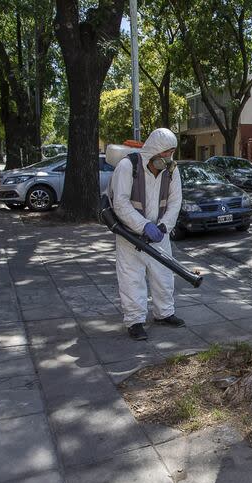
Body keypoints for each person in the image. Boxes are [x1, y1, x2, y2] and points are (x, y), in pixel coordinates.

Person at [109, 128, 185, 340]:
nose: (169, 158)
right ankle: (134, 321)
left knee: (163, 275)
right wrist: (143, 226)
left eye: (172, 153)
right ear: (154, 150)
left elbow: (175, 201)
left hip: (159, 234)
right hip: (129, 236)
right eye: (166, 153)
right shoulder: (128, 166)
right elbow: (121, 203)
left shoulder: (172, 170)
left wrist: (163, 227)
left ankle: (165, 313)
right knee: (131, 278)